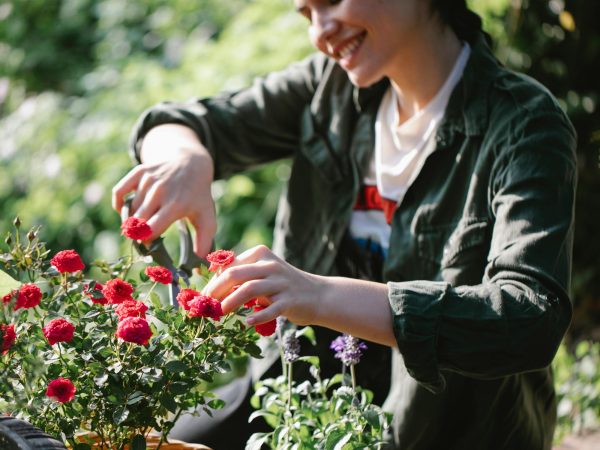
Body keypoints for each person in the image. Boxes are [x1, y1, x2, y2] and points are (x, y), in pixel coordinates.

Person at [112, 0, 577, 448]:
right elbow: (182, 122)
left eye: (332, 1)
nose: (320, 32)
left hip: (445, 429)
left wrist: (318, 295)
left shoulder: (522, 122)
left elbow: (527, 317)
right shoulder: (327, 87)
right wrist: (185, 159)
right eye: (307, 14)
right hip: (294, 398)